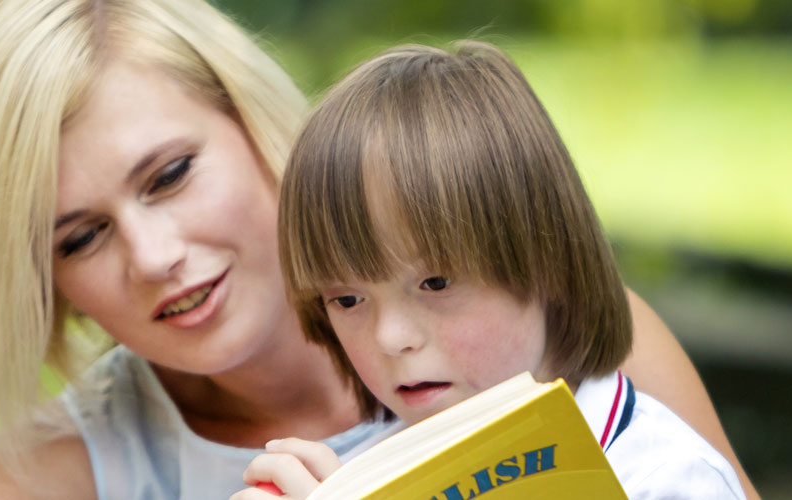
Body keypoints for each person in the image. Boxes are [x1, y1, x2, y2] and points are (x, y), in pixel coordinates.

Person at [0, 1, 758, 499]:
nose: (153, 256)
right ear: (48, 285)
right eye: (80, 236)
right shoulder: (30, 484)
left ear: (253, 124)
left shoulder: (567, 344)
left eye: (171, 175)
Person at [231, 41, 746, 499]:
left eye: (435, 283)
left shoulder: (665, 479)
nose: (391, 337)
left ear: (546, 263)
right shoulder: (362, 477)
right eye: (347, 300)